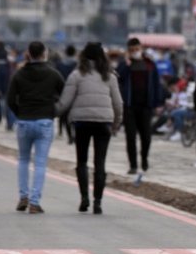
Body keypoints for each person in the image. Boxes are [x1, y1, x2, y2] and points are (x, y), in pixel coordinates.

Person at [56, 43, 123, 214]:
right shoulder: (110, 77)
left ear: (83, 56)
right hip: (104, 123)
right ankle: (98, 202)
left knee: (82, 161)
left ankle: (84, 197)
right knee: (100, 163)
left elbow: (65, 102)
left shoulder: (76, 75)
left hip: (82, 122)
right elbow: (118, 104)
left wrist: (50, 113)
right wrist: (115, 124)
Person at [7, 41, 65, 213]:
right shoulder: (53, 74)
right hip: (44, 121)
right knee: (40, 164)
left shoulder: (19, 74)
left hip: (24, 121)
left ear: (29, 54)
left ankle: (23, 196)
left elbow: (10, 100)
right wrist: (54, 111)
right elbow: (65, 95)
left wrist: (20, 113)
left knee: (23, 160)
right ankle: (34, 202)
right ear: (44, 53)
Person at [117, 38, 161, 176]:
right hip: (130, 106)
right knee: (130, 136)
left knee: (146, 136)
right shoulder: (124, 65)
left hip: (146, 106)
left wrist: (157, 103)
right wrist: (127, 63)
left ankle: (144, 159)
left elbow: (156, 84)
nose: (135, 52)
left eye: (137, 49)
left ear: (141, 48)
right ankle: (133, 165)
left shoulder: (149, 64)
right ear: (128, 51)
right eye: (132, 50)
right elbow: (119, 78)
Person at [55, 44, 78, 144]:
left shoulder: (59, 64)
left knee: (64, 115)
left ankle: (70, 135)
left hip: (62, 91)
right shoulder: (78, 65)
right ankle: (75, 134)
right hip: (76, 92)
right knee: (76, 115)